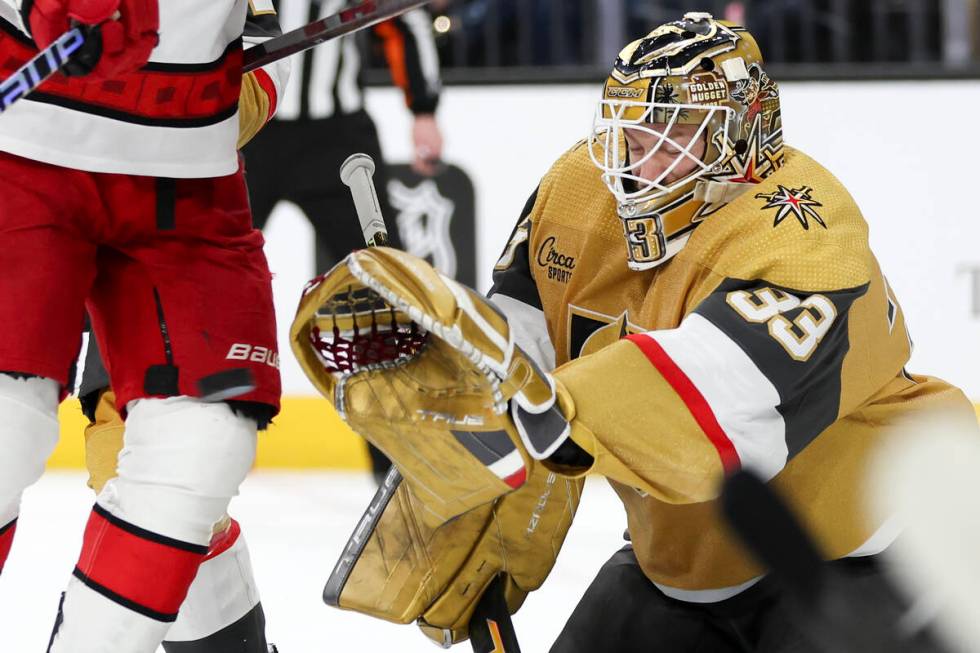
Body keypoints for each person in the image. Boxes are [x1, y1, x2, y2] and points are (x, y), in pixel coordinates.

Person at [290, 12, 979, 652]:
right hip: (686, 562)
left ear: (743, 138)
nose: (637, 163)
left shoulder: (808, 229)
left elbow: (720, 411)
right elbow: (523, 346)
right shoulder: (579, 189)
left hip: (871, 550)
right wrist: (465, 388)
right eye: (630, 132)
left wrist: (547, 416)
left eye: (673, 136)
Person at [0, 1, 287, 651]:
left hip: (178, 174)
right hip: (22, 152)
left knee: (200, 450)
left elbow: (267, 35)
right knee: (4, 426)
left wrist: (230, 99)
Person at [243, 0, 443, 482]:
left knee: (383, 293)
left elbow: (403, 16)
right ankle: (182, 437)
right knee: (201, 279)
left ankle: (398, 468)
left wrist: (423, 108)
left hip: (336, 137)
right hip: (247, 128)